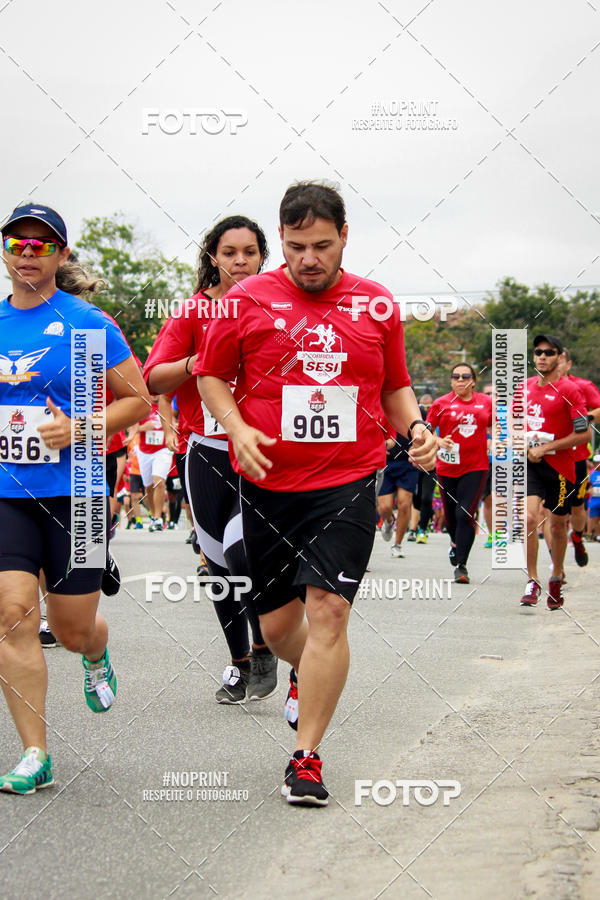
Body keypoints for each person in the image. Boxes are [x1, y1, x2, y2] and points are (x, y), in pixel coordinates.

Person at [196, 181, 437, 805]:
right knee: (278, 629)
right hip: (270, 484)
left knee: (329, 610)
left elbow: (395, 386)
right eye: (297, 245)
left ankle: (306, 757)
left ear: (345, 238)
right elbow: (212, 377)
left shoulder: (376, 304)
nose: (309, 258)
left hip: (347, 480)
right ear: (281, 239)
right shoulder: (245, 300)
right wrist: (237, 425)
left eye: (322, 246)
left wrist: (415, 427)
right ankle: (303, 669)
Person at [0, 203, 149, 794]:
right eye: (18, 240)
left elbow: (139, 401)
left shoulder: (88, 323)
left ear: (61, 255)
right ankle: (35, 753)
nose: (29, 251)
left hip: (79, 495)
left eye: (43, 243)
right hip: (7, 490)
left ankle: (96, 651)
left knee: (70, 629)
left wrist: (81, 428)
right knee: (12, 613)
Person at [144, 215, 278, 704]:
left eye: (249, 252)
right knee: (219, 566)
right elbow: (153, 378)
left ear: (264, 255)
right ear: (213, 258)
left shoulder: (281, 307)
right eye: (229, 253)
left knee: (246, 551)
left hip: (264, 452)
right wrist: (196, 362)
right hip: (206, 453)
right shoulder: (192, 312)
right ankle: (241, 663)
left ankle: (265, 643)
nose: (240, 261)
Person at [519, 334, 590, 609]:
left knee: (558, 525)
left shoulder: (570, 391)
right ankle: (532, 580)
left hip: (560, 466)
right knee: (528, 518)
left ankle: (557, 576)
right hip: (530, 463)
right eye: (538, 352)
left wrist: (548, 446)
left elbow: (583, 434)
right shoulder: (523, 388)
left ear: (559, 357)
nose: (542, 357)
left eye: (549, 352)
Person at [426, 363, 492, 584]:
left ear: (473, 381)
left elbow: (499, 426)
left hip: (476, 466)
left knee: (465, 514)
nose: (460, 380)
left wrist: (496, 439)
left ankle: (461, 566)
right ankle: (455, 543)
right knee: (451, 517)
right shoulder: (440, 404)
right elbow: (425, 432)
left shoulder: (486, 403)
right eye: (456, 377)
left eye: (465, 377)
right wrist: (438, 440)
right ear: (451, 380)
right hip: (447, 467)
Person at [556, 348, 600, 566]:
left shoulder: (582, 386)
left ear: (568, 364)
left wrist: (586, 416)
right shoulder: (537, 386)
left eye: (560, 358)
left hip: (576, 458)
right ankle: (557, 566)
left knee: (576, 506)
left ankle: (577, 536)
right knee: (550, 511)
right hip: (548, 457)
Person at [377, 427, 418, 557]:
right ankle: (389, 521)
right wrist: (380, 446)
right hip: (386, 461)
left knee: (404, 504)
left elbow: (425, 432)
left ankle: (397, 545)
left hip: (407, 462)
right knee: (385, 507)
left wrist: (417, 446)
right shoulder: (382, 409)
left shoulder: (417, 410)